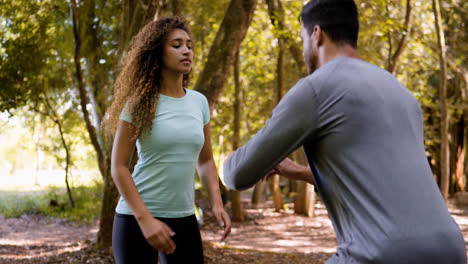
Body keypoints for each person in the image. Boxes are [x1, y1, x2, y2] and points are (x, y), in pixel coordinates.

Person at [223, 0, 467, 263]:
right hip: (451, 250)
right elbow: (378, 180)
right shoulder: (401, 93)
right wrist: (300, 173)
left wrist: (227, 161)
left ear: (316, 35)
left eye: (303, 38)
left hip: (381, 254)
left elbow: (238, 175)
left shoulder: (316, 89)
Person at [103, 16, 231, 264]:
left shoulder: (199, 102)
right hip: (136, 219)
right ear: (157, 53)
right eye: (176, 45)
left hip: (183, 217)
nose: (186, 51)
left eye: (189, 45)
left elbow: (205, 161)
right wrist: (146, 220)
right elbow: (118, 167)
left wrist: (217, 203)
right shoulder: (139, 104)